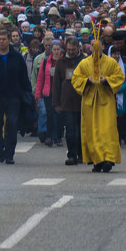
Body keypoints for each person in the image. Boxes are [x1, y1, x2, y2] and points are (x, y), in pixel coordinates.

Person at [71, 30, 126, 172]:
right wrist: (87, 81)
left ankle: (108, 158)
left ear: (102, 47)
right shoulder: (84, 63)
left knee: (106, 130)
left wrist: (106, 80)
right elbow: (76, 79)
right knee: (92, 131)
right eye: (92, 46)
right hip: (89, 101)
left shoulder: (111, 63)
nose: (94, 49)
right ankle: (96, 160)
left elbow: (119, 77)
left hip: (106, 100)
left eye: (97, 46)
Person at [0, 27, 32, 164]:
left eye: (4, 39)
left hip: (14, 97)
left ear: (9, 40)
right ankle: (0, 148)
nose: (1, 42)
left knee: (11, 124)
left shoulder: (16, 57)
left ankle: (9, 153)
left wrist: (27, 93)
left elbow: (23, 77)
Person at [52, 36, 84, 166]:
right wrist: (56, 103)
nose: (71, 52)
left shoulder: (84, 60)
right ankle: (71, 154)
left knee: (82, 130)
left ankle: (82, 154)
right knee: (70, 131)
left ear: (78, 48)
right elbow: (56, 84)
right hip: (66, 102)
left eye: (73, 49)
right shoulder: (61, 61)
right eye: (69, 49)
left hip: (82, 101)